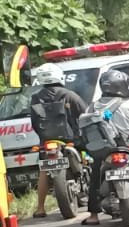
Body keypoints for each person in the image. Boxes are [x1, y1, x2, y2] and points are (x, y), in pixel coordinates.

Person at [80, 69, 129, 227]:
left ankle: (93, 215)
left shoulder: (91, 108)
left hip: (104, 153)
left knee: (95, 179)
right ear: (123, 86)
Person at [27, 66, 89, 217]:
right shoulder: (69, 95)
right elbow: (86, 114)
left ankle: (40, 208)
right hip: (71, 140)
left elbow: (34, 122)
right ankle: (95, 196)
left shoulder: (36, 97)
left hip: (47, 141)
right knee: (90, 157)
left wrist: (44, 138)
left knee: (43, 171)